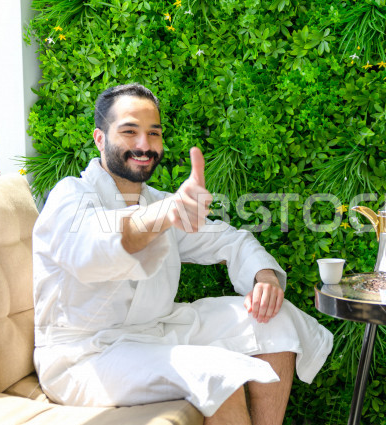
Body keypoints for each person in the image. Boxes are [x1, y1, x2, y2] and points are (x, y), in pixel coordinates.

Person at [32, 83, 333, 425]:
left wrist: (263, 277)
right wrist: (165, 214)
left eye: (154, 133)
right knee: (220, 373)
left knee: (273, 318)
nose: (144, 145)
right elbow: (90, 246)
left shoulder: (157, 201)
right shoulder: (70, 195)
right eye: (129, 131)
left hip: (155, 331)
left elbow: (229, 240)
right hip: (86, 356)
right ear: (100, 139)